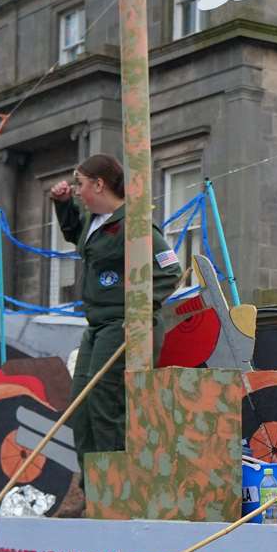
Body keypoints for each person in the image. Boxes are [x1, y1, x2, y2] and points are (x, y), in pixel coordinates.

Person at [48, 154, 183, 513]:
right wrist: (62, 205)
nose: (77, 190)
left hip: (123, 324)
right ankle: (93, 488)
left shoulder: (135, 224)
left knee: (106, 405)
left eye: (79, 184)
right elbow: (77, 237)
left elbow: (171, 270)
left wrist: (141, 308)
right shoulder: (95, 221)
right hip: (96, 325)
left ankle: (115, 490)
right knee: (82, 405)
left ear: (99, 184)